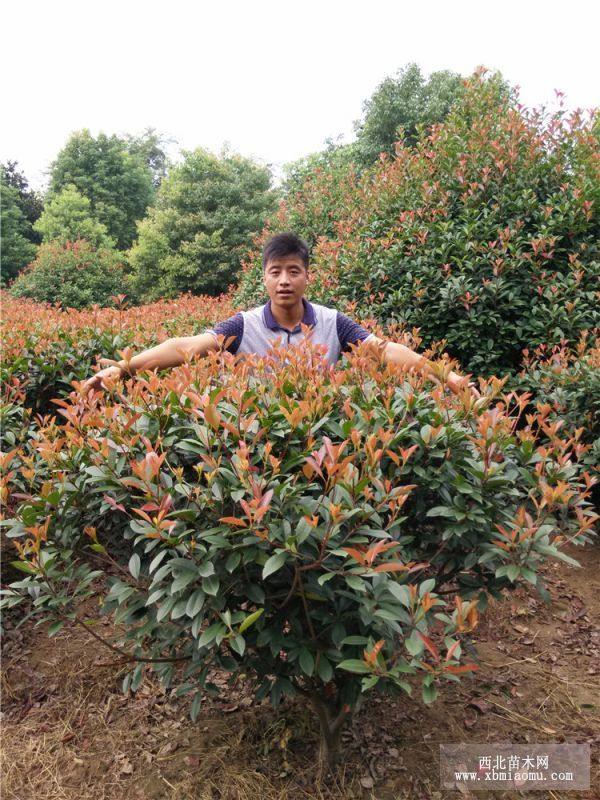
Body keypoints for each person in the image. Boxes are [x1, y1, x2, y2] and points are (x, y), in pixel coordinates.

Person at [82, 232, 479, 398]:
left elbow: (385, 350)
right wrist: (126, 367)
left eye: (293, 271)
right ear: (265, 279)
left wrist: (449, 377)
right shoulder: (243, 325)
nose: (284, 280)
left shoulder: (332, 322)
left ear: (308, 276)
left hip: (320, 441)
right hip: (257, 446)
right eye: (276, 272)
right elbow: (187, 346)